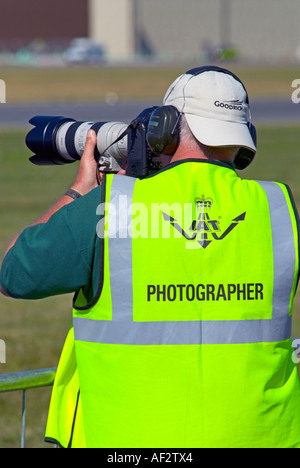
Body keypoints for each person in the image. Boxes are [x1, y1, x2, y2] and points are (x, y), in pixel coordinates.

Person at [1, 66, 300, 448]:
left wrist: (80, 192)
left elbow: (13, 272)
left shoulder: (112, 208)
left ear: (166, 128)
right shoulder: (278, 209)